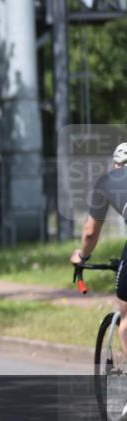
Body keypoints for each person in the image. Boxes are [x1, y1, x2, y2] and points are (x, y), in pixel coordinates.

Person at [70, 142, 127, 360]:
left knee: (126, 320)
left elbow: (91, 232)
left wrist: (82, 256)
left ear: (116, 164)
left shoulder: (108, 180)